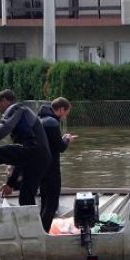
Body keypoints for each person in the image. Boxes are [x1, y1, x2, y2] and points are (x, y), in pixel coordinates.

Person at [36, 98, 76, 231]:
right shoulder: (53, 123)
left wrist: (62, 138)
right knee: (52, 205)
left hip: (40, 169)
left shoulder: (40, 119)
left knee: (44, 203)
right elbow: (60, 147)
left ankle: (39, 231)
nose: (65, 116)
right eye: (66, 113)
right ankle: (44, 234)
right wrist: (67, 140)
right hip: (51, 170)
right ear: (61, 109)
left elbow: (51, 143)